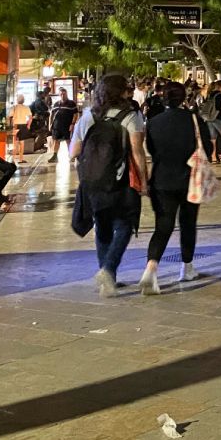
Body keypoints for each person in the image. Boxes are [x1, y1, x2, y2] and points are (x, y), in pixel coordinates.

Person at [70, 74, 149, 298]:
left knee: (102, 226)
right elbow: (137, 152)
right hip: (119, 181)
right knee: (124, 224)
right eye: (127, 88)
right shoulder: (131, 117)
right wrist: (144, 180)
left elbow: (73, 152)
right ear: (121, 92)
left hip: (91, 181)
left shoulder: (89, 115)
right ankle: (108, 269)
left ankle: (108, 282)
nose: (129, 92)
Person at [140, 81, 213, 294]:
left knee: (163, 226)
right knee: (188, 223)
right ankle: (187, 267)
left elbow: (151, 150)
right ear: (184, 98)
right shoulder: (194, 120)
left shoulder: (153, 122)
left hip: (162, 180)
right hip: (190, 180)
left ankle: (151, 269)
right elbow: (206, 148)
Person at [46, 88, 79, 161]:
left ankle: (71, 155)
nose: (62, 95)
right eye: (61, 94)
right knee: (56, 140)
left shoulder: (71, 103)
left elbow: (75, 114)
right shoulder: (56, 103)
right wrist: (50, 124)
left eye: (64, 94)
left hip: (67, 125)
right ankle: (55, 156)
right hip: (57, 125)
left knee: (68, 140)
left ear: (66, 94)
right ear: (59, 95)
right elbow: (52, 114)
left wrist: (72, 124)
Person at [8, 95, 32, 163]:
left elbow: (9, 116)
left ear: (17, 100)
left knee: (15, 143)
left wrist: (10, 125)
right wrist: (28, 125)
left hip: (15, 125)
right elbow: (30, 117)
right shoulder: (26, 107)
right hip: (23, 125)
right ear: (23, 100)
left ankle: (13, 159)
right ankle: (21, 159)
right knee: (22, 143)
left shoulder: (14, 107)